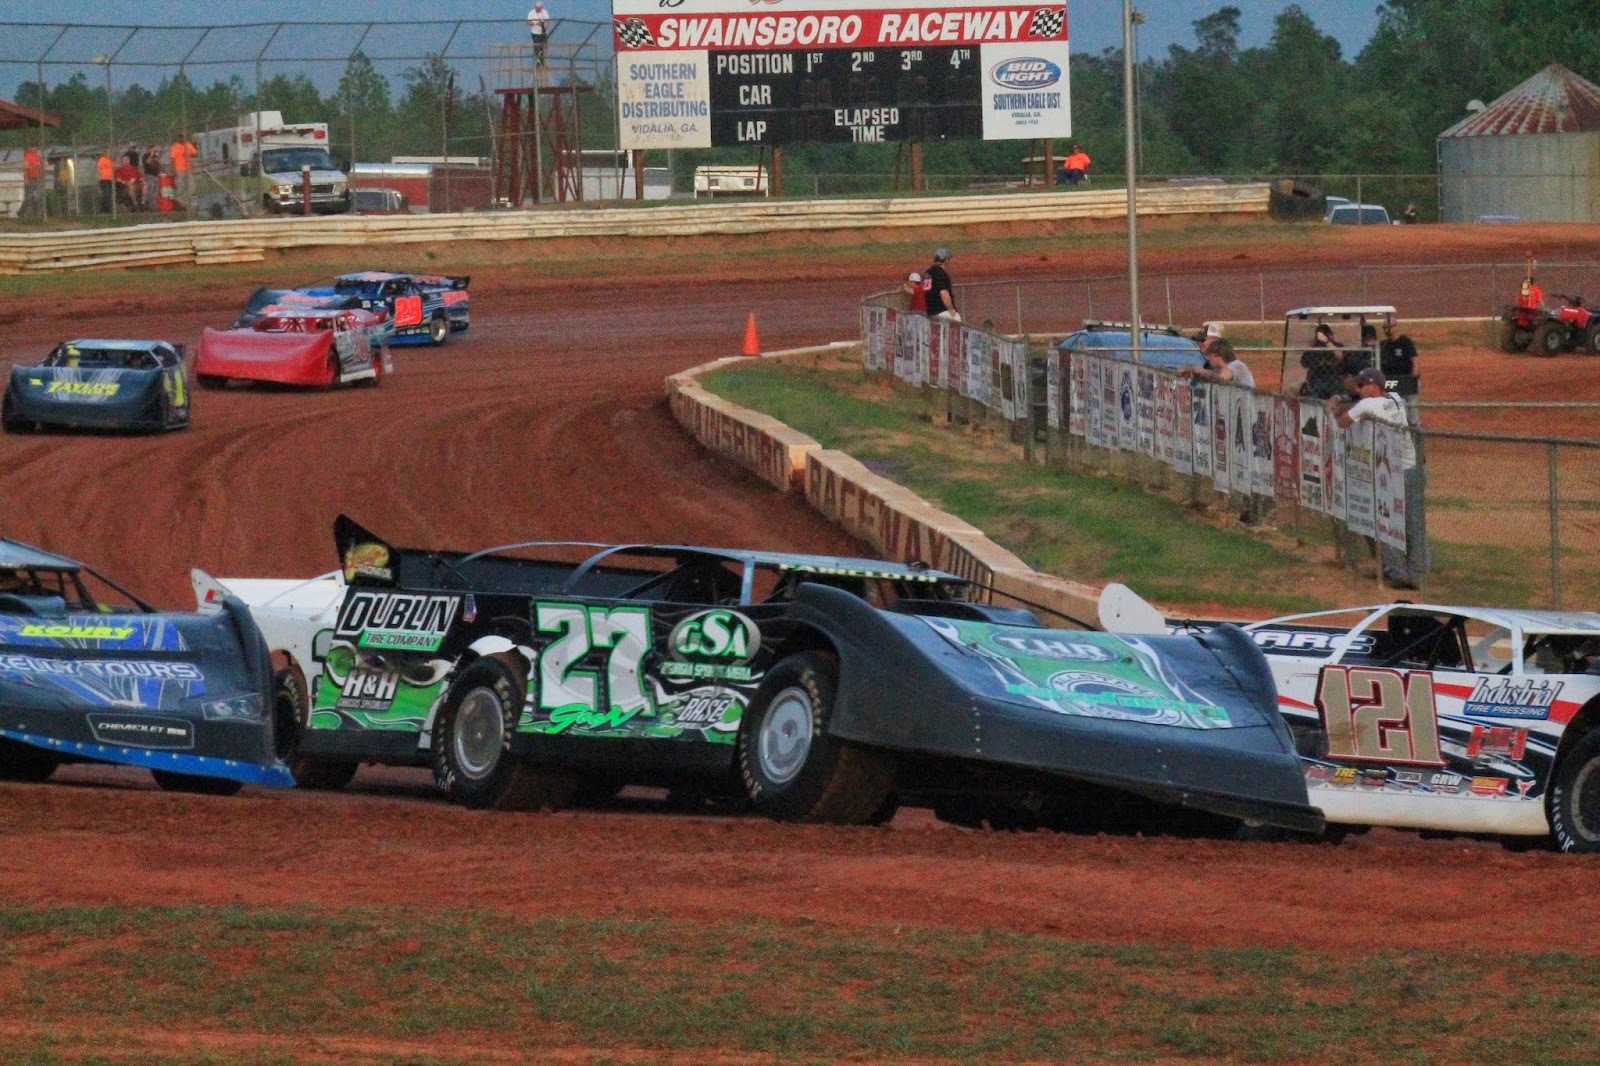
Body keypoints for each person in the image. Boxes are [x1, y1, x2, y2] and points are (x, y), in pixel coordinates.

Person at [1329, 366, 1422, 589]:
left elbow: (1343, 421)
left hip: (1394, 472)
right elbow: (1363, 405)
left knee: (1388, 521)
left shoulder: (1368, 404)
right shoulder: (1396, 398)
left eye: (1362, 386)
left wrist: (1339, 406)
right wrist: (1351, 403)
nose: (1359, 389)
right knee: (1412, 523)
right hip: (1411, 468)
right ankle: (1417, 572)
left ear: (1372, 386)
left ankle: (1399, 573)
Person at [1179, 336, 1253, 388]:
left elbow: (1220, 378)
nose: (1208, 358)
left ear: (1218, 355)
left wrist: (1201, 371)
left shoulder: (1238, 365)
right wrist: (1190, 368)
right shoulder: (1219, 370)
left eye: (1210, 355)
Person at [1298, 322, 1345, 400]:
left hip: (1334, 381)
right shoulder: (1313, 349)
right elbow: (1304, 363)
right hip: (1315, 382)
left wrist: (1327, 342)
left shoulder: (1336, 346)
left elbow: (1340, 356)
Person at [1380, 315, 1418, 396]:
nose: (1388, 330)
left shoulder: (1405, 342)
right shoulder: (1383, 345)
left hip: (1405, 379)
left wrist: (1412, 380)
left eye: (1390, 327)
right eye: (1385, 328)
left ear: (1396, 327)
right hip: (1391, 381)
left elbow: (1415, 361)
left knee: (1410, 406)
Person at [925, 247, 958, 320]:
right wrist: (951, 309)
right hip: (943, 311)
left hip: (930, 312)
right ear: (945, 260)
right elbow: (943, 293)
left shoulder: (928, 273)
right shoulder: (941, 273)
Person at [170, 134, 197, 211]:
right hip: (179, 169)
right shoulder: (174, 147)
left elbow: (195, 154)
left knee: (192, 187)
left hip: (188, 169)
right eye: (179, 137)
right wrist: (174, 170)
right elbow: (172, 160)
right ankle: (179, 205)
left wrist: (189, 154)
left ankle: (180, 201)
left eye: (182, 137)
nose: (181, 139)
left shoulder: (188, 145)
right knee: (180, 187)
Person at [21, 145, 44, 218]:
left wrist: (40, 157)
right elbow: (25, 167)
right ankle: (22, 211)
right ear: (30, 148)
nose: (34, 149)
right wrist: (26, 178)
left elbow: (42, 165)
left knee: (37, 196)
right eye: (32, 147)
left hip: (38, 178)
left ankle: (37, 213)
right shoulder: (28, 156)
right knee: (29, 196)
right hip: (31, 178)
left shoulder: (38, 156)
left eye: (35, 147)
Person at [141, 146, 162, 211]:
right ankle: (148, 206)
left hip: (156, 175)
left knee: (155, 192)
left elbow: (158, 164)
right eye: (152, 150)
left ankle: (154, 207)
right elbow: (148, 162)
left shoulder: (155, 157)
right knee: (150, 191)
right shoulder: (145, 156)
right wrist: (151, 154)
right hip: (149, 175)